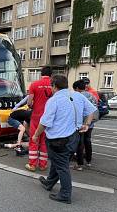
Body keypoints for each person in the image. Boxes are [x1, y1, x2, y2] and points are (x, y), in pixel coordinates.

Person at [33, 74, 96, 204]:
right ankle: (49, 182)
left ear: (54, 86)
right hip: (75, 136)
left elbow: (45, 122)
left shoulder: (54, 100)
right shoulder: (78, 95)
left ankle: (65, 194)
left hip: (58, 138)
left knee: (62, 166)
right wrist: (87, 124)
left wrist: (35, 135)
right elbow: (91, 111)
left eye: (51, 85)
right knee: (59, 161)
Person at [26, 65, 53, 171]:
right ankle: (43, 165)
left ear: (41, 74)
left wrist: (32, 106)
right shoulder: (54, 86)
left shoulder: (34, 84)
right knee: (44, 141)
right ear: (51, 75)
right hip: (49, 117)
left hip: (36, 116)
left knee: (34, 139)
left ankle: (32, 164)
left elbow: (29, 102)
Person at [72, 80, 98, 171]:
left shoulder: (78, 96)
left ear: (77, 88)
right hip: (90, 123)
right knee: (88, 141)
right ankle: (88, 160)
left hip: (81, 123)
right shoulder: (92, 95)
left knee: (79, 143)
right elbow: (95, 108)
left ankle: (79, 163)